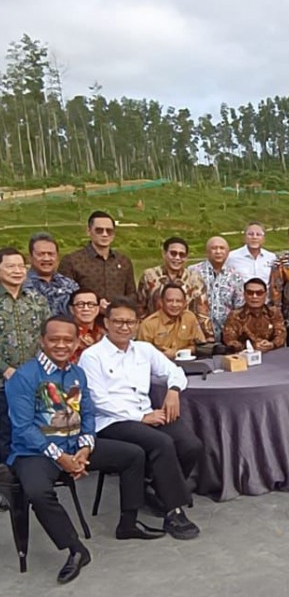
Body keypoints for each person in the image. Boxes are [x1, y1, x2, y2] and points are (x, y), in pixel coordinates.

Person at [6, 316, 164, 584]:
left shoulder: (77, 373)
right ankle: (75, 549)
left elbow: (88, 414)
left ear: (77, 342)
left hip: (74, 446)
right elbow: (23, 429)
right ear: (42, 341)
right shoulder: (24, 377)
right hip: (36, 451)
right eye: (54, 339)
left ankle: (128, 523)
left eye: (68, 340)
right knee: (37, 491)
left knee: (133, 454)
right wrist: (61, 457)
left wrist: (85, 448)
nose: (61, 345)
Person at [79, 296, 203, 540]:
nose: (124, 327)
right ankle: (174, 510)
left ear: (137, 324)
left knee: (191, 446)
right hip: (112, 421)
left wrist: (173, 391)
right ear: (106, 323)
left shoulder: (144, 350)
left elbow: (174, 371)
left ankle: (153, 488)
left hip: (148, 414)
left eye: (130, 322)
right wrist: (141, 417)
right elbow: (98, 400)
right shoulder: (92, 356)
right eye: (118, 322)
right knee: (161, 443)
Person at [0, 247, 51, 463]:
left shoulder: (37, 300)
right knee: (4, 438)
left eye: (21, 266)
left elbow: (49, 336)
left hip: (34, 382)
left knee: (32, 438)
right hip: (3, 384)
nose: (17, 271)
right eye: (10, 266)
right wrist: (6, 370)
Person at [136, 237, 214, 342]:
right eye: (173, 253)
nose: (177, 258)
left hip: (185, 335)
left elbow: (202, 312)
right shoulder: (149, 276)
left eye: (182, 255)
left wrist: (208, 337)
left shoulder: (194, 279)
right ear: (164, 254)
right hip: (155, 334)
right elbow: (140, 309)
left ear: (186, 258)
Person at [58, 210, 137, 312]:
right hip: (84, 321)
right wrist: (94, 305)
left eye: (109, 231)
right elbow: (65, 297)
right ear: (88, 231)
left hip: (117, 321)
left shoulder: (124, 261)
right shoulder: (72, 261)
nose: (105, 234)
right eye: (99, 230)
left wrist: (116, 306)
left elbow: (132, 295)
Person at [188, 236, 245, 342]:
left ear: (228, 252)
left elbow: (239, 306)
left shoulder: (235, 276)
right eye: (214, 248)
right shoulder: (193, 272)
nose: (218, 251)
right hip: (197, 333)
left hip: (226, 334)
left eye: (222, 248)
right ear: (207, 251)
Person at [137, 284, 207, 359]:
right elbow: (142, 354)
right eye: (170, 301)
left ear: (185, 303)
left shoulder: (189, 317)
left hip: (188, 364)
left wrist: (177, 352)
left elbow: (200, 346)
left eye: (178, 301)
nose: (174, 304)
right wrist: (162, 355)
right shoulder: (148, 324)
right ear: (161, 302)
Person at [223, 278, 286, 353]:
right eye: (250, 293)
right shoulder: (235, 315)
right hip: (246, 356)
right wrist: (250, 346)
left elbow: (281, 335)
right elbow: (229, 340)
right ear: (244, 295)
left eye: (259, 293)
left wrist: (272, 344)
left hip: (271, 354)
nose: (254, 296)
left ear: (265, 295)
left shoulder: (274, 312)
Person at [24, 232, 78, 316]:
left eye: (51, 254)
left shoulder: (70, 285)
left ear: (57, 257)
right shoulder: (20, 285)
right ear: (30, 257)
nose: (46, 258)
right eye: (41, 254)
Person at [227, 221, 277, 288]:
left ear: (263, 238)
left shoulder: (272, 258)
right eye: (250, 234)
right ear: (244, 237)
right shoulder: (231, 257)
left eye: (258, 234)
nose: (254, 237)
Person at [68, 288, 105, 363]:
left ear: (98, 308)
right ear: (71, 309)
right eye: (80, 305)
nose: (86, 308)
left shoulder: (105, 334)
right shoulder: (65, 334)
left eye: (91, 304)